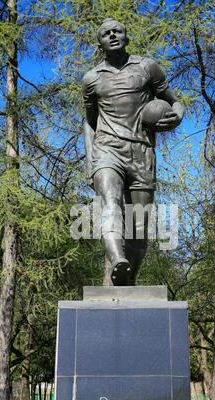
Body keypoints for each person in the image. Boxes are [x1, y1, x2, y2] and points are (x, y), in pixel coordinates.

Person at [82, 18, 183, 286]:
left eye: (118, 30)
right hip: (107, 149)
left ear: (126, 36)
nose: (112, 35)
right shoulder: (91, 79)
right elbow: (89, 122)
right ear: (100, 42)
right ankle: (117, 259)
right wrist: (91, 161)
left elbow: (175, 102)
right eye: (106, 33)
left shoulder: (147, 67)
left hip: (141, 152)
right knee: (110, 202)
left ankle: (127, 280)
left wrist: (177, 117)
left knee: (139, 227)